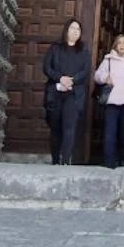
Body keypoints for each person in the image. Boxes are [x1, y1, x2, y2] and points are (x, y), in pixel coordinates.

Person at [42, 19, 92, 165]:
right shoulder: (55, 48)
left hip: (73, 94)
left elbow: (85, 71)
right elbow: (47, 67)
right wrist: (60, 79)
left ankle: (65, 161)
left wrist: (72, 81)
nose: (75, 31)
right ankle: (55, 160)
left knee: (69, 127)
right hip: (56, 93)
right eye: (72, 28)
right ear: (66, 30)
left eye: (78, 29)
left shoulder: (84, 51)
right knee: (55, 128)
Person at [94, 34, 124, 169]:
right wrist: (105, 78)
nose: (122, 45)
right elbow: (97, 75)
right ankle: (109, 163)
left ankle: (123, 160)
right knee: (110, 133)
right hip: (112, 101)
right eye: (119, 43)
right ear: (115, 45)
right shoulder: (109, 59)